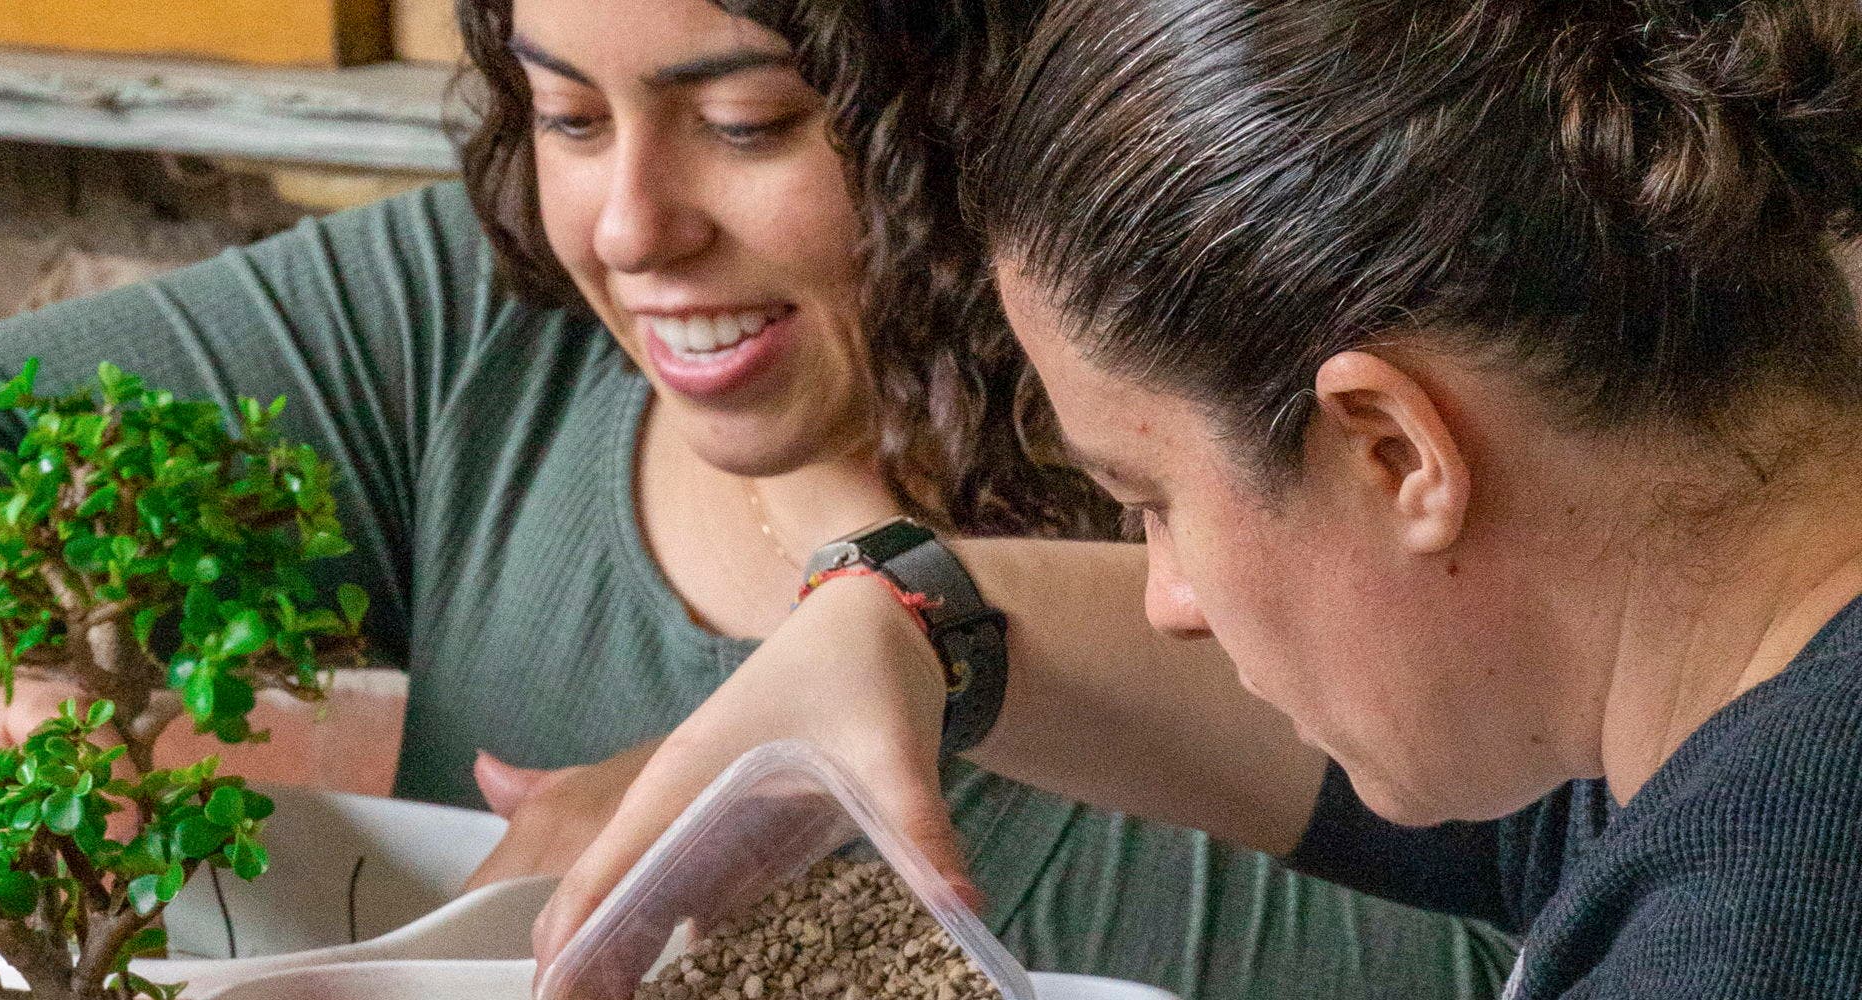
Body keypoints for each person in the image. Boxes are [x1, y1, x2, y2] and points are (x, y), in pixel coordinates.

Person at [0, 0, 1514, 997]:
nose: (633, 225)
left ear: (980, 94)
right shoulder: (475, 317)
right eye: (565, 112)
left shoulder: (1296, 475)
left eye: (747, 121)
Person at [535, 0, 1862, 996]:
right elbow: (1535, 812)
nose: (1167, 599)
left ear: (1396, 452)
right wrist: (904, 612)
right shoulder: (1735, 699)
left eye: (1152, 496)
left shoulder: (1758, 938)